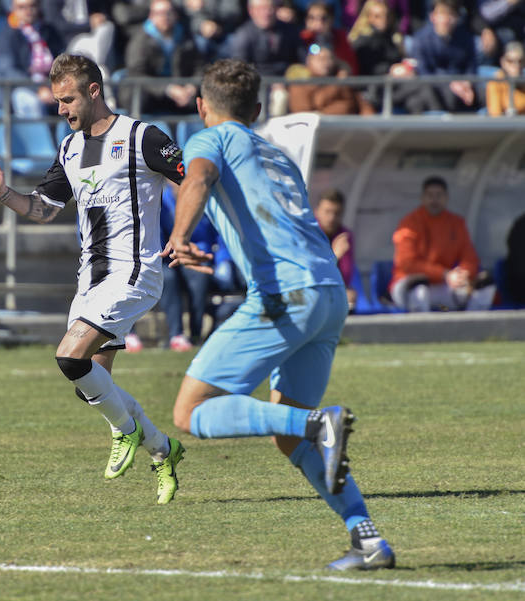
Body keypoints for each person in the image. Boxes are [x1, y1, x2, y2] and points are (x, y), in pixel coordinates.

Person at [161, 58, 395, 570]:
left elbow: (196, 177)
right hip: (329, 293)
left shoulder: (210, 140)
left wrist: (178, 237)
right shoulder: (277, 153)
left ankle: (322, 424)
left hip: (285, 294)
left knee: (189, 413)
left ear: (201, 107)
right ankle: (368, 538)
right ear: (260, 110)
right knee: (287, 433)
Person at [0, 53, 186, 505]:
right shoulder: (69, 148)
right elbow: (44, 209)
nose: (61, 109)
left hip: (134, 272)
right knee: (91, 382)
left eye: (67, 99)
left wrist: (184, 234)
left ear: (94, 91)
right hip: (90, 280)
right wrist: (3, 194)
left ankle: (126, 432)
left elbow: (191, 181)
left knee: (70, 357)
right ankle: (163, 451)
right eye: (56, 101)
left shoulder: (141, 136)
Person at [389, 175, 495, 312]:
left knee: (484, 285)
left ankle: (473, 330)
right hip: (407, 284)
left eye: (439, 195)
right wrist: (444, 274)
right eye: (430, 195)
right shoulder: (409, 223)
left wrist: (463, 275)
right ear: (422, 198)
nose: (434, 199)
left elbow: (470, 257)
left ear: (446, 198)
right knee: (419, 288)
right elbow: (407, 263)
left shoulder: (457, 223)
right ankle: (420, 332)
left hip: (444, 285)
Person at [159, 182, 217, 351]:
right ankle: (176, 335)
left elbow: (215, 232)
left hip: (195, 253)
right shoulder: (160, 200)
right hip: (166, 256)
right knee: (168, 279)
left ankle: (196, 334)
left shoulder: (202, 197)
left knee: (199, 277)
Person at [122, 0, 204, 115]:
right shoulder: (139, 40)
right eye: (159, 13)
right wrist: (168, 89)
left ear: (175, 15)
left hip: (181, 92)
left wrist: (191, 87)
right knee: (139, 96)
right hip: (151, 94)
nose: (164, 17)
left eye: (168, 12)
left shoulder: (185, 36)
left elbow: (199, 66)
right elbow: (137, 74)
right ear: (151, 16)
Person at [0, 0, 66, 116]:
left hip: (50, 86)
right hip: (20, 88)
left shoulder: (50, 32)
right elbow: (7, 71)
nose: (28, 11)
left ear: (39, 7)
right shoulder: (7, 36)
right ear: (14, 9)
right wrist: (38, 88)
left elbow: (63, 62)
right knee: (29, 101)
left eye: (32, 6)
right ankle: (38, 134)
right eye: (21, 7)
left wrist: (53, 88)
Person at [406, 0, 479, 113]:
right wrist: (451, 84)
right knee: (449, 97)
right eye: (442, 14)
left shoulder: (465, 37)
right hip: (436, 85)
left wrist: (466, 83)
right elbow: (423, 72)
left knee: (484, 94)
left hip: (462, 84)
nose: (446, 19)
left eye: (451, 15)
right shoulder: (421, 39)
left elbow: (471, 66)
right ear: (432, 17)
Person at [288, 41, 377, 114]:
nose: (325, 62)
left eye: (328, 58)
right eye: (320, 59)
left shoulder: (343, 79)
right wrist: (337, 84)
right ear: (309, 61)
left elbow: (359, 104)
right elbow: (305, 112)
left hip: (347, 130)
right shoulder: (301, 83)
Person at [314, 188, 360, 312]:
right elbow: (311, 275)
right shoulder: (308, 234)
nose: (332, 218)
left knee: (349, 296)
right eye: (327, 212)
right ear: (317, 211)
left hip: (332, 289)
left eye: (337, 213)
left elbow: (346, 276)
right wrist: (334, 256)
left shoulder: (344, 236)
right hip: (310, 290)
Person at [300, 1, 359, 74]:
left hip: (333, 82)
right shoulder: (300, 38)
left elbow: (351, 66)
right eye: (312, 18)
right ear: (306, 20)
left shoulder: (340, 37)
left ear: (331, 20)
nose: (318, 23)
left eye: (323, 18)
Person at [486, 40, 525, 116]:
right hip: (505, 125)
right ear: (503, 62)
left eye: (520, 61)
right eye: (510, 61)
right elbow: (495, 114)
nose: (516, 65)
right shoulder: (496, 82)